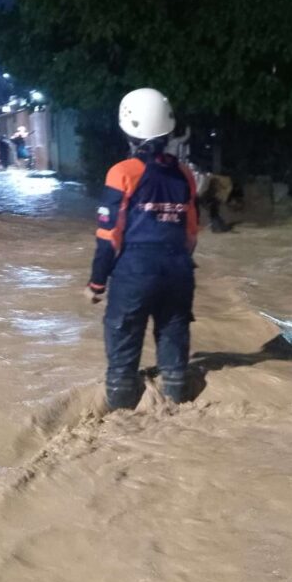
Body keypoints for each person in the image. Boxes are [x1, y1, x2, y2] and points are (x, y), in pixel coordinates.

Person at [85, 88, 199, 410]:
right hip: (178, 270)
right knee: (174, 338)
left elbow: (108, 235)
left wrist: (97, 283)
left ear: (127, 129)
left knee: (122, 343)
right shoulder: (185, 173)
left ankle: (122, 412)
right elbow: (191, 231)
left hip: (135, 271)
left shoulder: (122, 172)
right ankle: (176, 402)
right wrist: (174, 264)